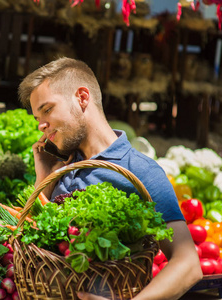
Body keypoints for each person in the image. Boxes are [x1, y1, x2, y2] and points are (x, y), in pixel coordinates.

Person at [18, 57, 202, 300]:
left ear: (82, 98)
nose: (41, 125)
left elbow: (188, 265)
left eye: (48, 110)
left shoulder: (139, 169)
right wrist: (44, 178)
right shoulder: (60, 166)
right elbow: (29, 246)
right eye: (37, 118)